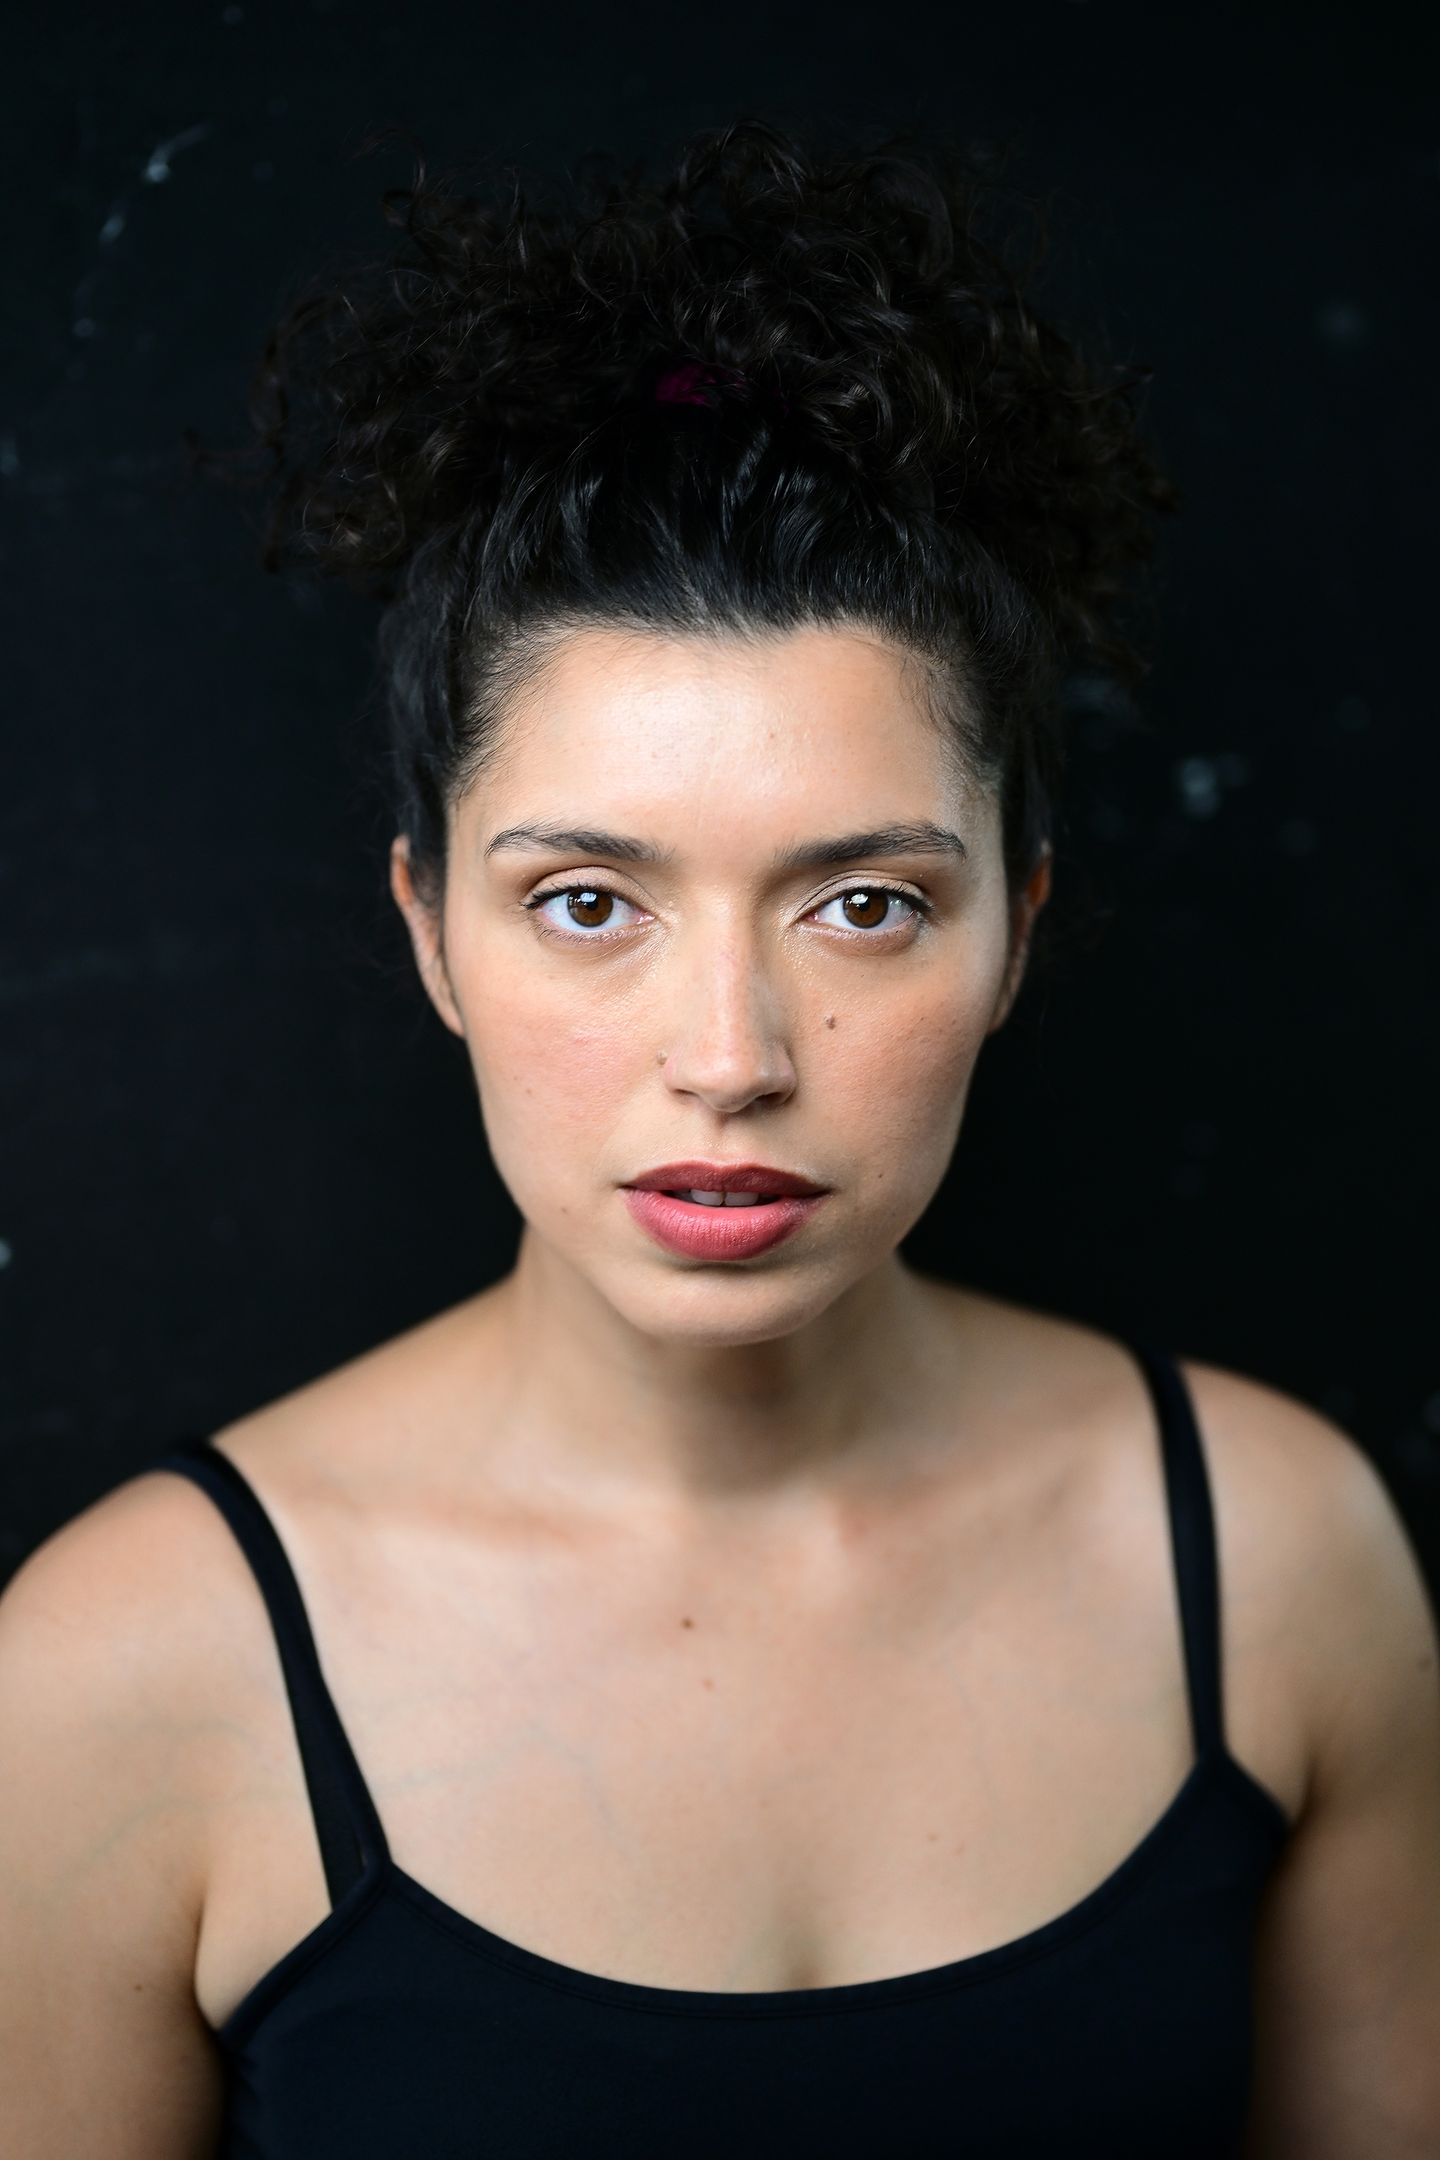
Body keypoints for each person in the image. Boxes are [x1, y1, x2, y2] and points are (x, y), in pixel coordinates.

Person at [3, 115, 1438, 2160]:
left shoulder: (1278, 1557)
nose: (733, 1058)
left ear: (1017, 934)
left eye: (865, 904)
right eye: (590, 902)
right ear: (431, 932)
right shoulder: (124, 1669)